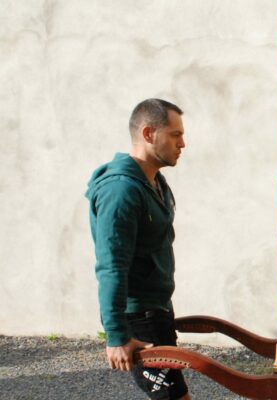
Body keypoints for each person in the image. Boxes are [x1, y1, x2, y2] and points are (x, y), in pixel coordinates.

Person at [86, 98, 190, 400]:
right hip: (139, 317)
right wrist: (116, 335)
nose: (182, 143)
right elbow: (111, 265)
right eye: (175, 134)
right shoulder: (121, 191)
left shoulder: (156, 182)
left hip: (157, 311)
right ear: (148, 133)